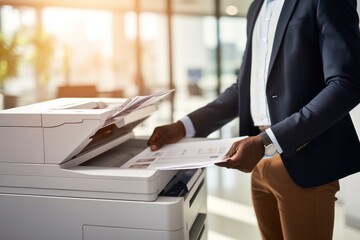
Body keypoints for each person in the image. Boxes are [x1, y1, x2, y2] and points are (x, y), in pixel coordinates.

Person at [147, 0, 360, 239]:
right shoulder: (256, 7)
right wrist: (184, 126)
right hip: (259, 161)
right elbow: (243, 89)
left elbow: (346, 85)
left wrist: (268, 141)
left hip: (306, 157)